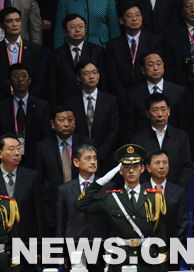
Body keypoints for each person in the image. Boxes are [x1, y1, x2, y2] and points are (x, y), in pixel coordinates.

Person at [75, 144, 168, 272]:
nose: (131, 171)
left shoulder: (154, 198)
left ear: (142, 169)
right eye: (126, 167)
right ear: (120, 170)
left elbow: (161, 236)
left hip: (147, 261)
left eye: (135, 167)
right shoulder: (112, 199)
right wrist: (103, 180)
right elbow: (81, 204)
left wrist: (162, 268)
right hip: (121, 259)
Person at [35, 105, 94, 236]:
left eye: (70, 120)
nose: (66, 124)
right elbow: (39, 182)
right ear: (52, 124)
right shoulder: (42, 147)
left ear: (75, 122)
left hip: (81, 205)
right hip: (52, 206)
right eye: (61, 120)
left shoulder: (87, 144)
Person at [56, 144, 115, 272]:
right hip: (75, 247)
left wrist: (112, 249)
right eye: (88, 158)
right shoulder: (64, 190)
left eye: (95, 158)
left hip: (101, 246)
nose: (93, 162)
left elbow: (113, 222)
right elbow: (61, 224)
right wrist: (61, 253)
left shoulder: (108, 187)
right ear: (76, 162)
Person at [65, 59, 120, 174]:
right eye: (86, 73)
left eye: (94, 72)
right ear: (78, 78)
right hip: (79, 159)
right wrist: (83, 155)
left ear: (99, 75)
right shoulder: (70, 102)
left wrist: (98, 156)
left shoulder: (110, 100)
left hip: (105, 159)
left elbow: (114, 130)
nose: (91, 76)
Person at [0, 134, 43, 272]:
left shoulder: (31, 176)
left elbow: (38, 214)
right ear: (0, 153)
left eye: (19, 148)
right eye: (11, 149)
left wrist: (39, 248)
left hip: (26, 242)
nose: (17, 152)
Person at [105, 1, 161, 106]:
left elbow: (155, 70)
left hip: (147, 96)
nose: (134, 19)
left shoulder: (154, 42)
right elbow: (113, 75)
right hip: (122, 98)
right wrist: (123, 97)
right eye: (130, 16)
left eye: (137, 15)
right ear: (121, 20)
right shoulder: (113, 45)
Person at [131, 93, 192, 188]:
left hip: (175, 195)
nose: (160, 114)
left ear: (169, 111)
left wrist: (176, 191)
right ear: (147, 113)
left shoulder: (181, 137)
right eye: (155, 110)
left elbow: (186, 168)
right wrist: (147, 190)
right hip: (146, 194)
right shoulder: (138, 140)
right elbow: (136, 167)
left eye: (163, 109)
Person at [142, 149, 188, 270]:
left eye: (165, 162)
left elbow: (182, 223)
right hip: (144, 251)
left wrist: (172, 249)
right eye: (157, 163)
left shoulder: (178, 192)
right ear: (148, 168)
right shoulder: (140, 191)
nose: (162, 166)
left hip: (171, 253)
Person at [47, 13, 106, 107]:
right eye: (72, 27)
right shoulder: (56, 55)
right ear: (65, 32)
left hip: (92, 102)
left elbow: (103, 82)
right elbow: (52, 86)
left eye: (81, 26)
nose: (77, 30)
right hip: (65, 104)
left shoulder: (97, 51)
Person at [124, 52, 187, 138]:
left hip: (172, 142)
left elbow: (183, 124)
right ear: (143, 69)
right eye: (150, 65)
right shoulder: (133, 94)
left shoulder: (178, 92)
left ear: (163, 66)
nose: (156, 68)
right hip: (144, 143)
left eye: (159, 64)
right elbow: (130, 127)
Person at [0, 63, 51, 170]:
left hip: (35, 158)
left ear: (30, 80)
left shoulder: (42, 106)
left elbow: (46, 136)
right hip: (8, 158)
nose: (20, 79)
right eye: (15, 76)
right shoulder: (2, 106)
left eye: (24, 75)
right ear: (9, 82)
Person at [0, 7, 45, 99]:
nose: (14, 24)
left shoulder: (34, 49)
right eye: (9, 21)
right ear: (1, 26)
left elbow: (40, 78)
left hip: (30, 102)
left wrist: (29, 99)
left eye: (17, 20)